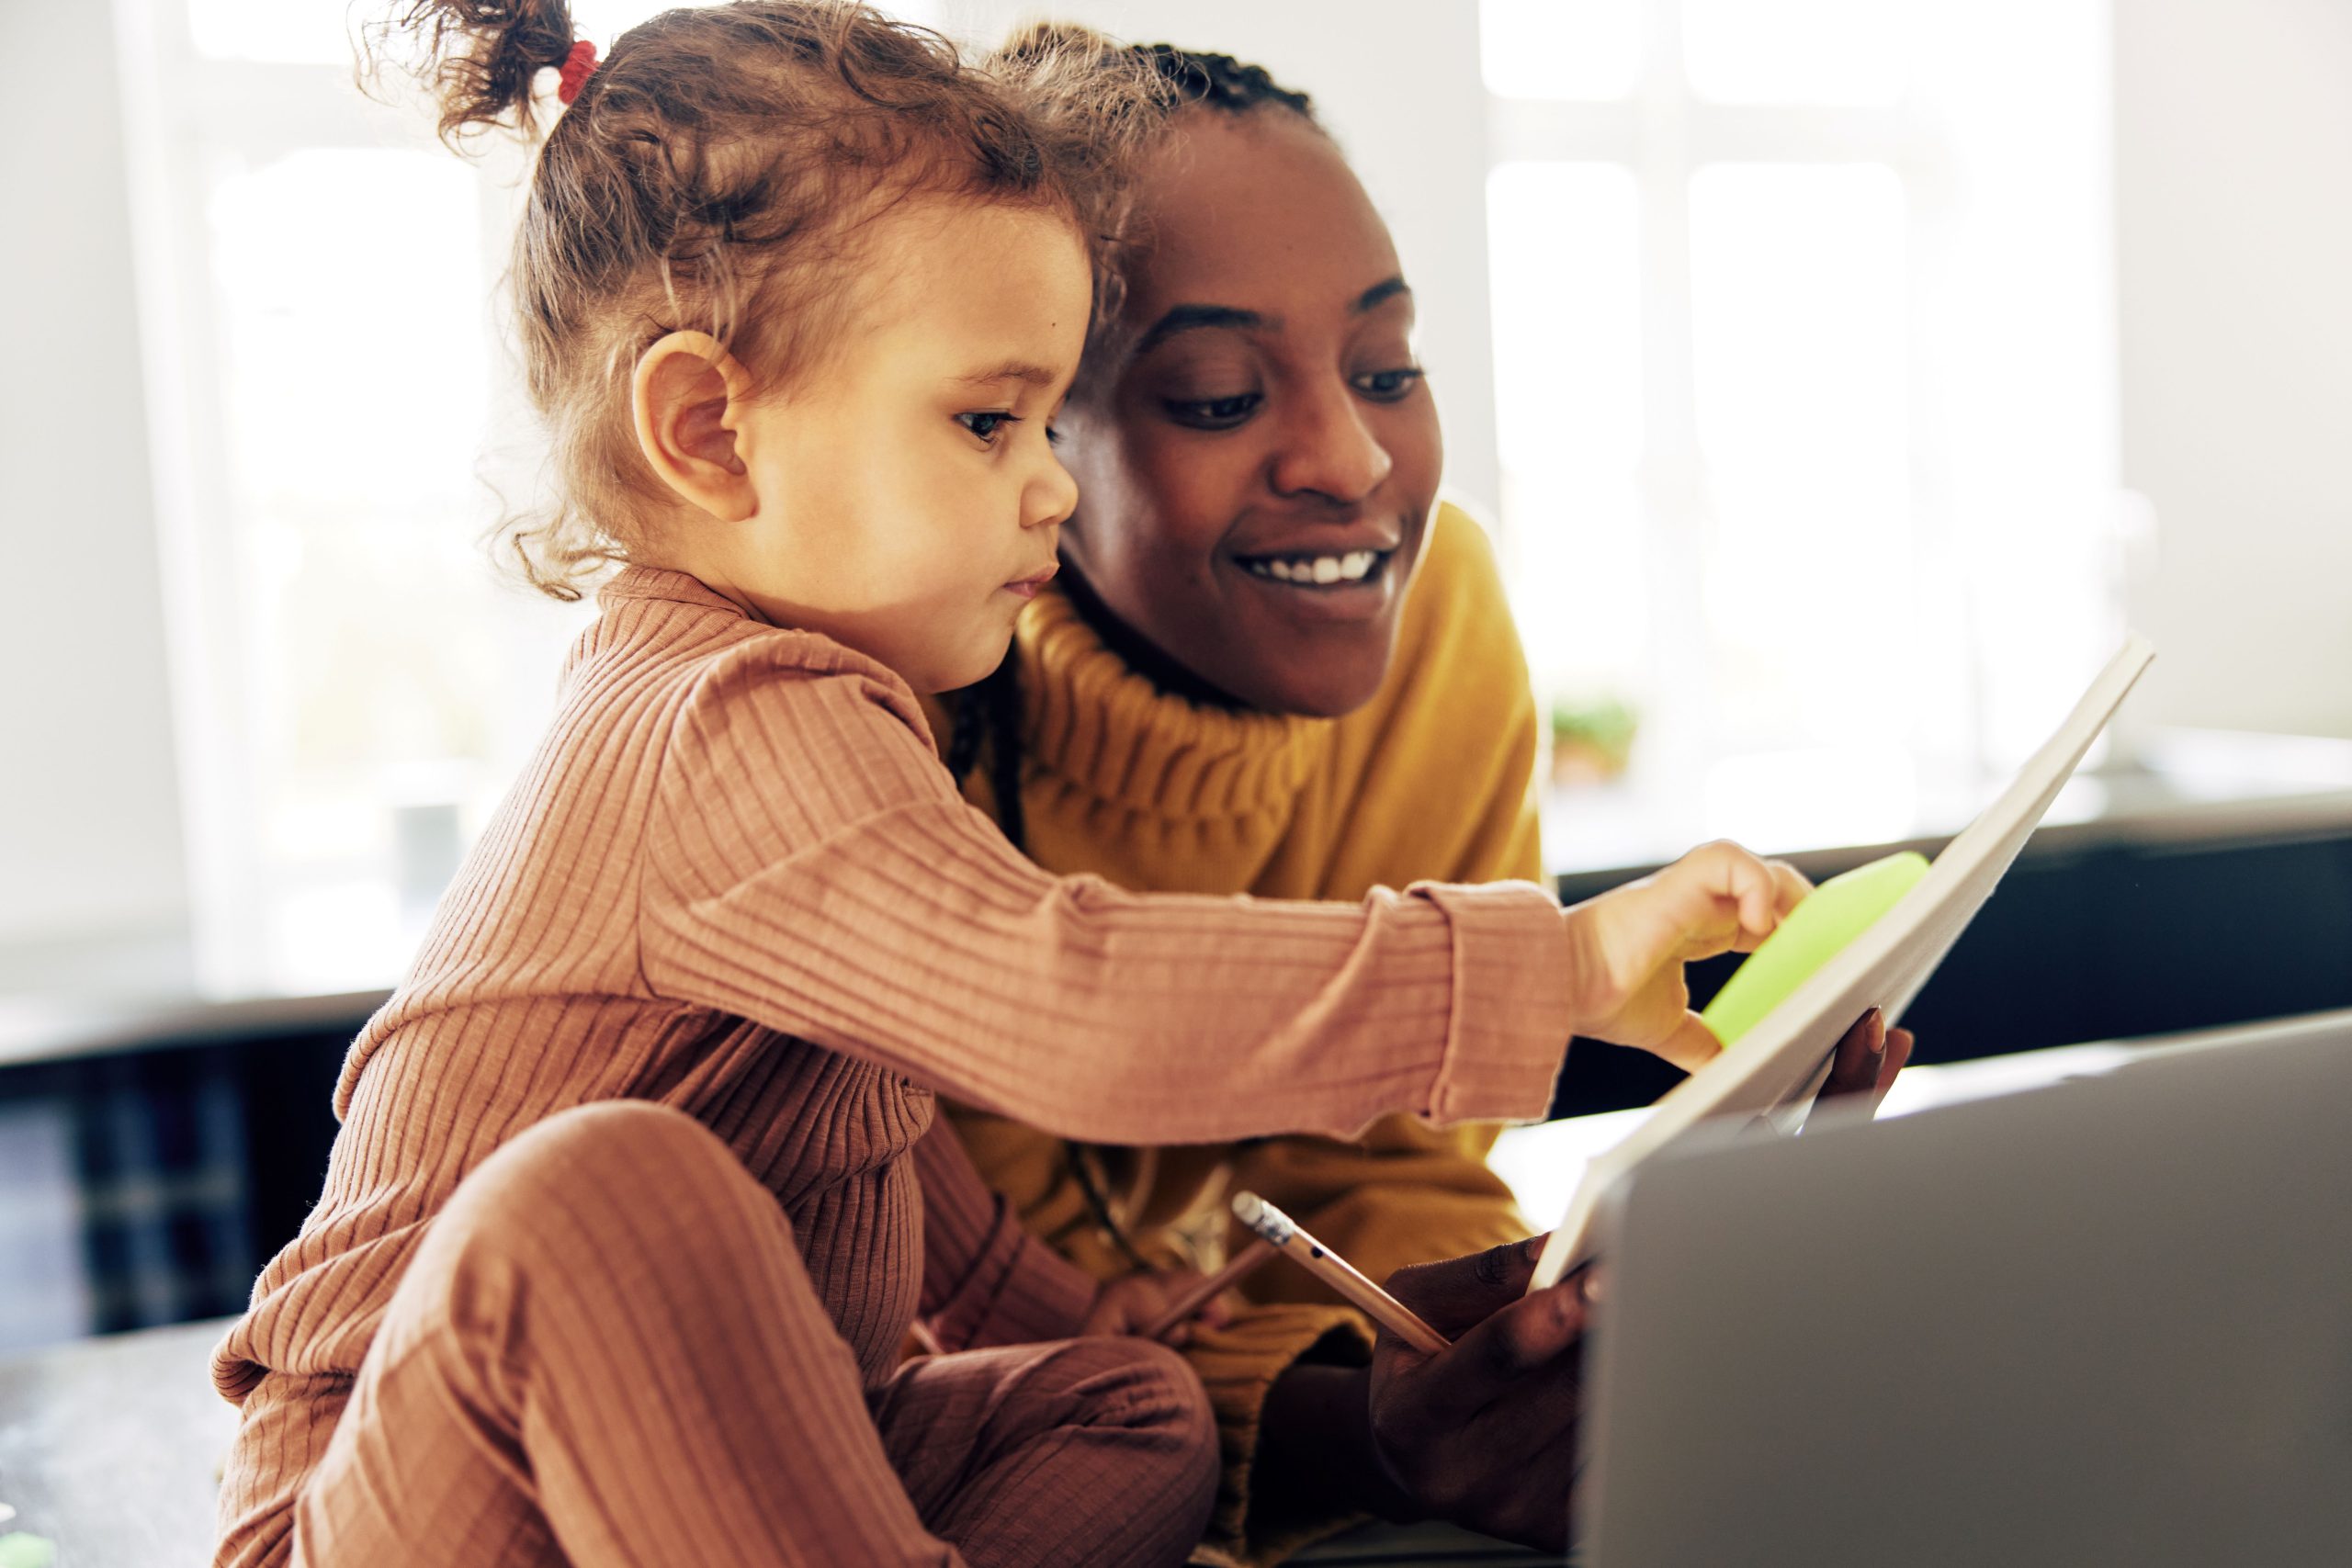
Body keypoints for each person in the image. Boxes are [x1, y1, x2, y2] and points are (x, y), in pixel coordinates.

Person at [209, 6, 1823, 1565]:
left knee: (1130, 1413)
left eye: (1047, 415)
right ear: (711, 432)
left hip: (716, 1479)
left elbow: (873, 1136)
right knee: (600, 1193)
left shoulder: (846, 715)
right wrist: (1560, 962)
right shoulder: (717, 723)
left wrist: (1083, 1322)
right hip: (403, 1503)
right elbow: (1074, 1003)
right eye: (988, 421)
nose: (1048, 478)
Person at [946, 34, 1913, 1562]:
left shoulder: (1436, 612)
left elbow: (1395, 1165)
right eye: (1213, 395)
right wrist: (1358, 1436)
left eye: (1389, 371)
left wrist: (1504, 1340)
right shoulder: (878, 726)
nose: (1348, 457)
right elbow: (934, 1343)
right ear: (1028, 436)